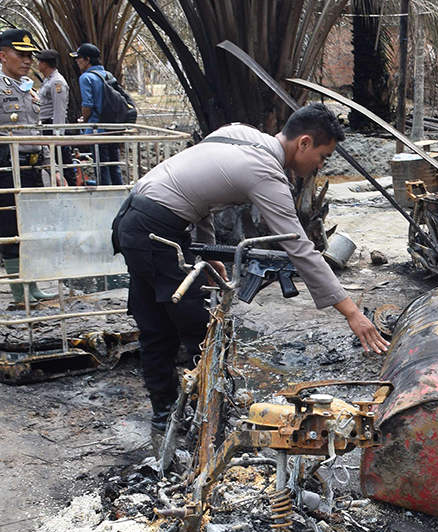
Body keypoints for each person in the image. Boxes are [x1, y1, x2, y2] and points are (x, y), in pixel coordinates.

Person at [113, 103, 389, 450]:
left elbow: (200, 197)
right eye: (322, 156)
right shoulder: (266, 173)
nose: (320, 166)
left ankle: (169, 420)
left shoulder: (237, 131)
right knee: (199, 329)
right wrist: (352, 313)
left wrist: (207, 251)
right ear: (303, 143)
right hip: (157, 233)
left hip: (134, 219)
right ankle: (199, 421)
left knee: (157, 324)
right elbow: (298, 247)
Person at [0, 28, 54, 304]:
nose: (27, 60)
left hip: (31, 169)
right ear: (3, 55)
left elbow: (37, 133)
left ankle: (33, 287)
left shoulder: (30, 89)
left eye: (30, 55)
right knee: (9, 230)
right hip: (5, 170)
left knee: (31, 229)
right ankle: (20, 294)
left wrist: (52, 168)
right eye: (21, 54)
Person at [70, 42, 122, 185]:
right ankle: (120, 196)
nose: (77, 61)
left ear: (87, 60)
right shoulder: (107, 74)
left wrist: (84, 120)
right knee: (114, 166)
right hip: (113, 128)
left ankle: (105, 197)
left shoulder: (86, 78)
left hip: (97, 129)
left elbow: (87, 105)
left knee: (101, 168)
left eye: (79, 58)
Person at [34, 48, 76, 185]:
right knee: (52, 163)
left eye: (39, 61)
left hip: (54, 127)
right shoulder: (48, 80)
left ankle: (70, 190)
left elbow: (59, 110)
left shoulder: (57, 83)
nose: (37, 64)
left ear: (44, 64)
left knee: (63, 164)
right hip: (47, 126)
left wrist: (58, 135)